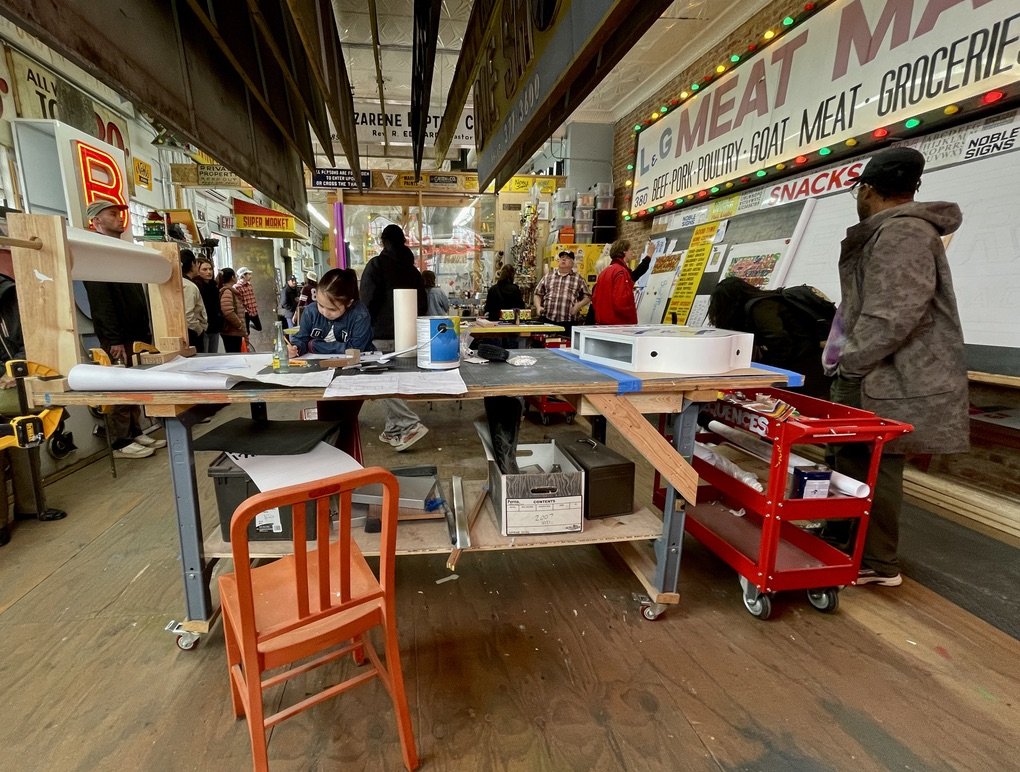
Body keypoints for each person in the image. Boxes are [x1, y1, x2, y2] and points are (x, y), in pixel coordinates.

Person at [827, 145, 969, 587]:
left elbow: (892, 315)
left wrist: (850, 364)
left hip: (883, 374)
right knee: (851, 461)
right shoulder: (896, 230)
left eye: (858, 191)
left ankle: (876, 561)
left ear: (868, 190)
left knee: (873, 465)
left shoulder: (902, 233)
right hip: (878, 371)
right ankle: (843, 541)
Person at [82, 200, 164, 459]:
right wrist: (114, 338)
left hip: (136, 333)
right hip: (118, 337)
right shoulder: (96, 254)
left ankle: (135, 430)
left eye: (120, 214)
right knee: (119, 385)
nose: (120, 218)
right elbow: (101, 302)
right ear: (96, 221)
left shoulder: (119, 251)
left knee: (134, 383)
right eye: (112, 214)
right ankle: (120, 441)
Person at [287, 269, 374, 459]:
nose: (325, 312)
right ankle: (330, 465)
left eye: (333, 309)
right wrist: (295, 348)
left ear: (349, 303)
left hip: (355, 374)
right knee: (326, 420)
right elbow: (301, 339)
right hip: (320, 372)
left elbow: (355, 350)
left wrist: (314, 345)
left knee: (346, 421)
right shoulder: (310, 312)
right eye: (320, 305)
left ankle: (346, 465)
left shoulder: (360, 315)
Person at [360, 224, 429, 451]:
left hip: (380, 334)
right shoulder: (414, 272)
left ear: (383, 242)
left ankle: (410, 423)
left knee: (382, 383)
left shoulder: (376, 265)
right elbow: (423, 305)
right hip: (409, 337)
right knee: (397, 383)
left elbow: (366, 301)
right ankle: (392, 429)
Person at [707, 277, 832, 399]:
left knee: (800, 403)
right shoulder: (766, 301)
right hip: (811, 361)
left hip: (805, 364)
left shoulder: (760, 306)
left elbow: (779, 340)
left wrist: (770, 370)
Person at [533, 250, 591, 338]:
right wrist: (538, 307)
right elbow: (537, 294)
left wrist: (578, 306)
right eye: (562, 258)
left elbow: (588, 297)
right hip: (548, 320)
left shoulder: (578, 279)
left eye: (567, 258)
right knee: (545, 346)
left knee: (565, 347)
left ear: (572, 263)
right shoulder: (548, 276)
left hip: (568, 322)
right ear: (558, 261)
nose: (563, 260)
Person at [591, 240, 638, 325]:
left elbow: (595, 298)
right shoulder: (620, 271)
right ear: (624, 251)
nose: (632, 252)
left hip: (603, 321)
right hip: (618, 323)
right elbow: (622, 300)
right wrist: (631, 318)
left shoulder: (605, 272)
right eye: (630, 250)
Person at [180, 249, 207, 353]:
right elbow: (188, 315)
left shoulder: (183, 283)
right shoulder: (188, 286)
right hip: (192, 333)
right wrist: (198, 330)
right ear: (192, 264)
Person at [195, 256, 221, 353]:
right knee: (205, 356)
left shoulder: (213, 286)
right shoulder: (197, 287)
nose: (209, 272)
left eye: (210, 269)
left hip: (215, 326)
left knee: (213, 354)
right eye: (204, 269)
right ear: (198, 271)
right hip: (203, 327)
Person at [217, 267, 247, 352]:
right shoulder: (227, 291)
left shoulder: (230, 290)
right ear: (233, 277)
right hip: (231, 332)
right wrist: (239, 324)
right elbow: (227, 311)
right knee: (234, 354)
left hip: (234, 332)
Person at [234, 267, 260, 333]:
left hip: (253, 310)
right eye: (248, 274)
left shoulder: (249, 284)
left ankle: (249, 324)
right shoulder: (237, 286)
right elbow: (238, 301)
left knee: (259, 327)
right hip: (245, 312)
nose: (250, 276)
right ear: (243, 275)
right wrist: (244, 310)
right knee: (247, 332)